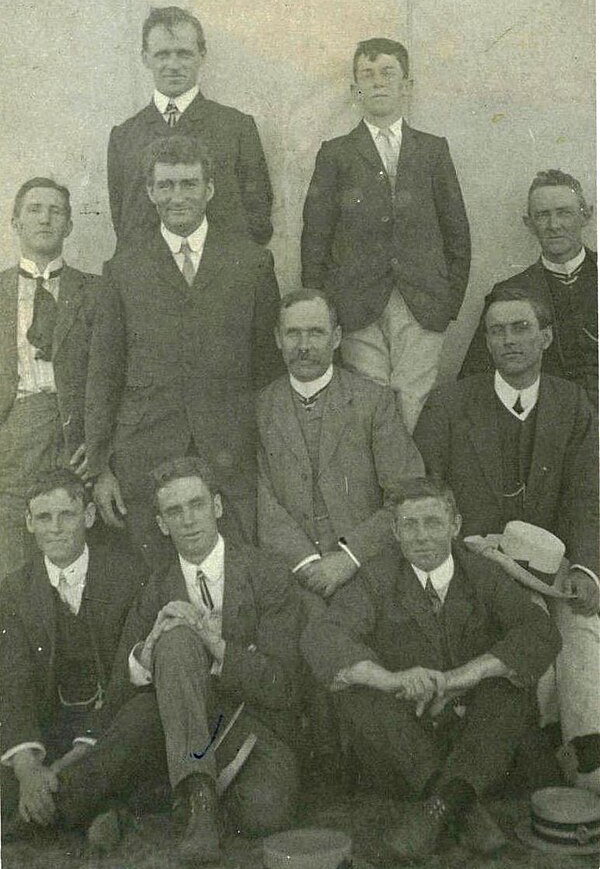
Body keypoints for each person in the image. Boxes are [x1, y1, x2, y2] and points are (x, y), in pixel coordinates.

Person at [52, 457, 301, 863]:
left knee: (263, 813)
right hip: (175, 724)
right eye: (174, 511)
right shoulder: (155, 588)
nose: (188, 520)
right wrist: (150, 647)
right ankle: (201, 806)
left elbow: (283, 685)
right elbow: (119, 688)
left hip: (248, 727)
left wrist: (214, 643)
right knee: (174, 635)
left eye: (196, 505)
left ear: (217, 507)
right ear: (162, 524)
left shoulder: (265, 572)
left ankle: (134, 805)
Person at [302, 477, 560, 860]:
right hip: (408, 745)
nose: (421, 536)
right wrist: (393, 680)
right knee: (356, 690)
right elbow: (322, 636)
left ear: (455, 525)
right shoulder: (377, 576)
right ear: (394, 530)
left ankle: (435, 812)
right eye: (409, 524)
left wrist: (460, 678)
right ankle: (460, 805)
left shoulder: (482, 572)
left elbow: (540, 632)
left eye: (433, 522)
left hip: (473, 739)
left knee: (510, 687)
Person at [414, 289, 600, 793]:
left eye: (521, 328)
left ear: (546, 337)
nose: (509, 340)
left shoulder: (572, 403)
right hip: (476, 565)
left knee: (581, 624)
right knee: (526, 627)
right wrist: (460, 550)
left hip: (553, 563)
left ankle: (589, 757)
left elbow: (587, 495)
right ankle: (533, 758)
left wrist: (584, 567)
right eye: (497, 330)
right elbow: (425, 492)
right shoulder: (451, 403)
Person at [86, 135, 282, 567]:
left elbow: (268, 370)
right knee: (152, 577)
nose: (179, 196)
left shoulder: (250, 263)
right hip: (145, 451)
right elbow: (104, 373)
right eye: (168, 185)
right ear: (151, 192)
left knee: (238, 571)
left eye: (189, 184)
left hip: (231, 451)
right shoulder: (122, 270)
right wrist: (101, 466)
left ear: (209, 189)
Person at [301, 38, 471, 431]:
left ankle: (404, 490)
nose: (378, 83)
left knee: (414, 395)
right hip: (357, 302)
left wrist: (448, 301)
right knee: (369, 395)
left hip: (422, 301)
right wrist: (321, 309)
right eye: (367, 75)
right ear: (354, 90)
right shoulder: (336, 153)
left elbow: (456, 232)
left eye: (388, 73)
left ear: (407, 85)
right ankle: (385, 488)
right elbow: (316, 238)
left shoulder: (432, 150)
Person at [257, 288, 424, 602]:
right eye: (293, 334)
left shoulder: (373, 401)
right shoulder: (262, 408)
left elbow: (407, 493)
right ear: (278, 338)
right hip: (292, 577)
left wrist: (351, 557)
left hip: (368, 573)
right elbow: (263, 503)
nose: (304, 347)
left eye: (316, 333)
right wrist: (306, 563)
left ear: (336, 338)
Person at [0, 469, 143, 834]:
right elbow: (14, 680)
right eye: (44, 518)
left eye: (67, 515)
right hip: (48, 725)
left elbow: (125, 679)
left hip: (106, 723)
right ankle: (94, 806)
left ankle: (46, 809)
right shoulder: (14, 589)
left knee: (144, 718)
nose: (56, 528)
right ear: (29, 522)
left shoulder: (126, 574)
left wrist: (64, 765)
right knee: (16, 760)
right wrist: (30, 769)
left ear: (89, 516)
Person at [107, 6, 273, 248]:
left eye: (183, 54)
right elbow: (124, 224)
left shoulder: (236, 128)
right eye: (162, 55)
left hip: (221, 276)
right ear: (145, 58)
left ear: (202, 55)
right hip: (148, 278)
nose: (173, 65)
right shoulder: (124, 137)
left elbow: (259, 218)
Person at [0, 178, 98, 581]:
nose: (45, 219)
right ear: (15, 222)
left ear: (70, 225)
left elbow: (108, 372)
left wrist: (99, 441)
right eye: (34, 210)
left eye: (56, 211)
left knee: (77, 544)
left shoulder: (94, 291)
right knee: (14, 551)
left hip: (75, 437)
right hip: (16, 435)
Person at [460, 170, 598, 409]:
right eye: (543, 215)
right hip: (547, 419)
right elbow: (475, 378)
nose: (554, 225)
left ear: (587, 215)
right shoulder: (510, 292)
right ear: (529, 224)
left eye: (564, 213)